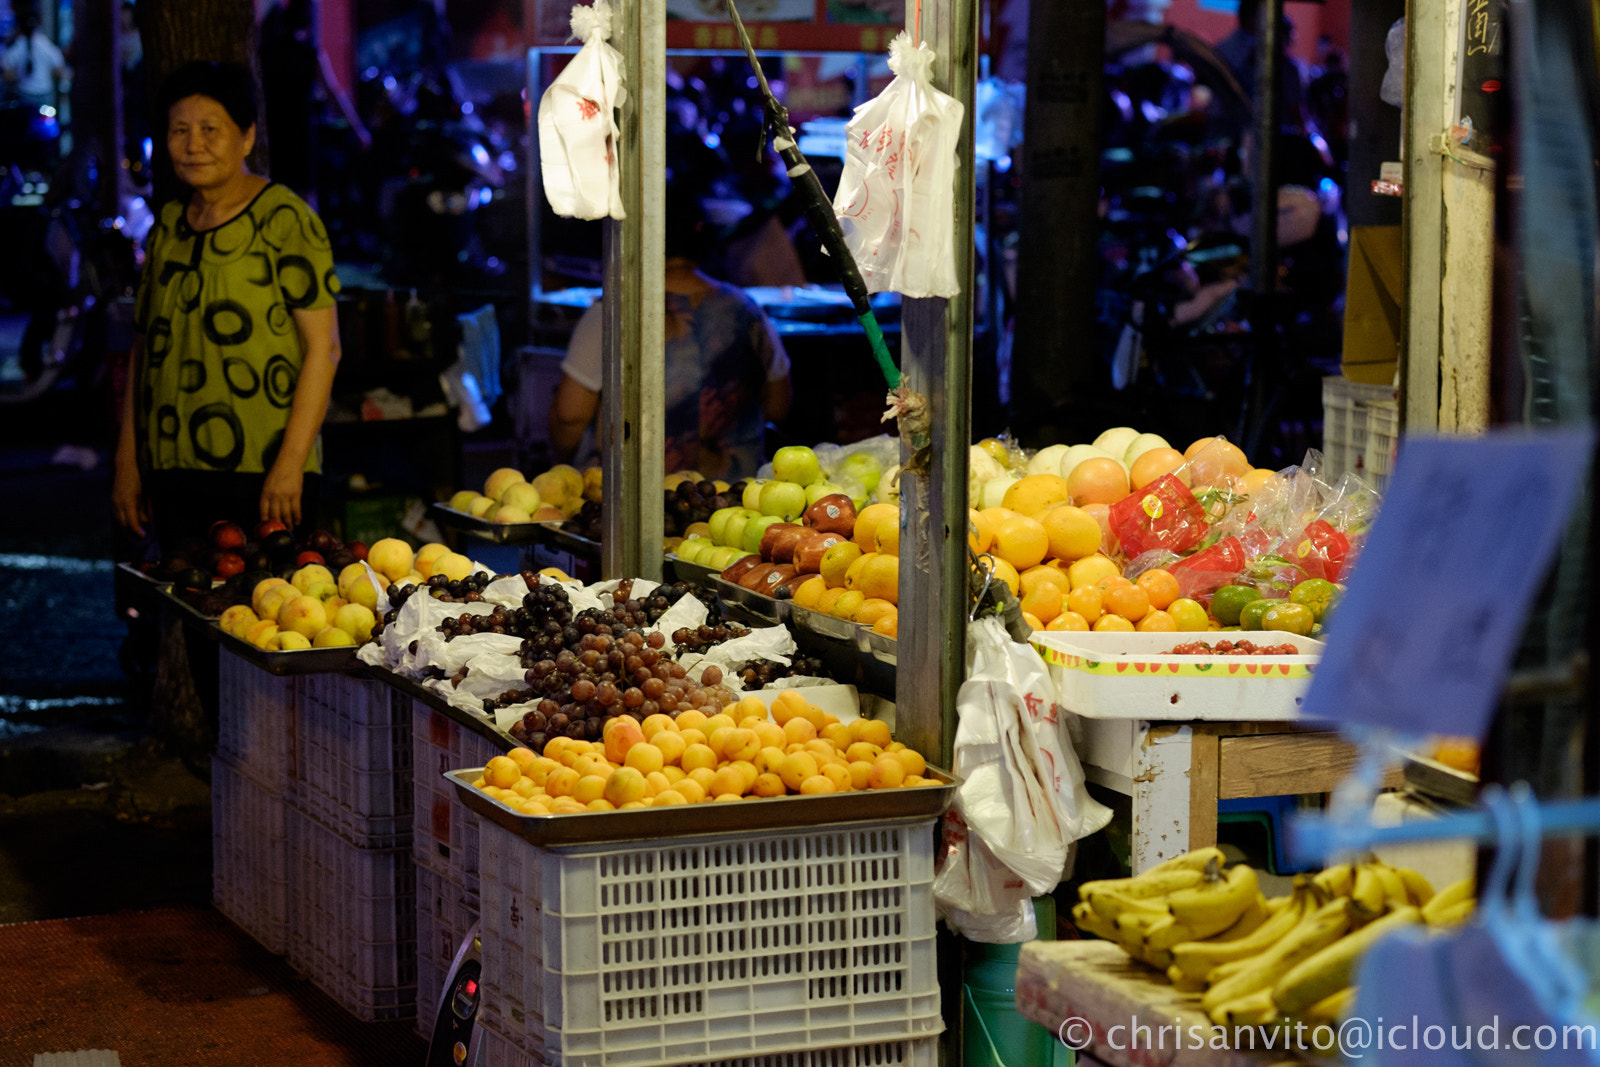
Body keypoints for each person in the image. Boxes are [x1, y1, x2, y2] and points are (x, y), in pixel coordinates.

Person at [112, 60, 343, 547]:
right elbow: (143, 351)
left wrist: (290, 464)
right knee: (185, 606)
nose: (194, 144)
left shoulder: (284, 219)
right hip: (171, 468)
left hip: (263, 471)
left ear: (246, 137)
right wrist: (128, 462)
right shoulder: (166, 228)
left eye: (210, 129)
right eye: (180, 130)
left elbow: (324, 350)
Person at [548, 193, 792, 480]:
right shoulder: (746, 310)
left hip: (632, 503)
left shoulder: (614, 311)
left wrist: (564, 467)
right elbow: (778, 405)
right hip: (731, 502)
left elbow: (569, 417)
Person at [0, 7, 66, 109]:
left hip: (25, 94)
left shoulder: (18, 45)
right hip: (44, 94)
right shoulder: (46, 45)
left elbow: (6, 71)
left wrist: (18, 77)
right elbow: (59, 70)